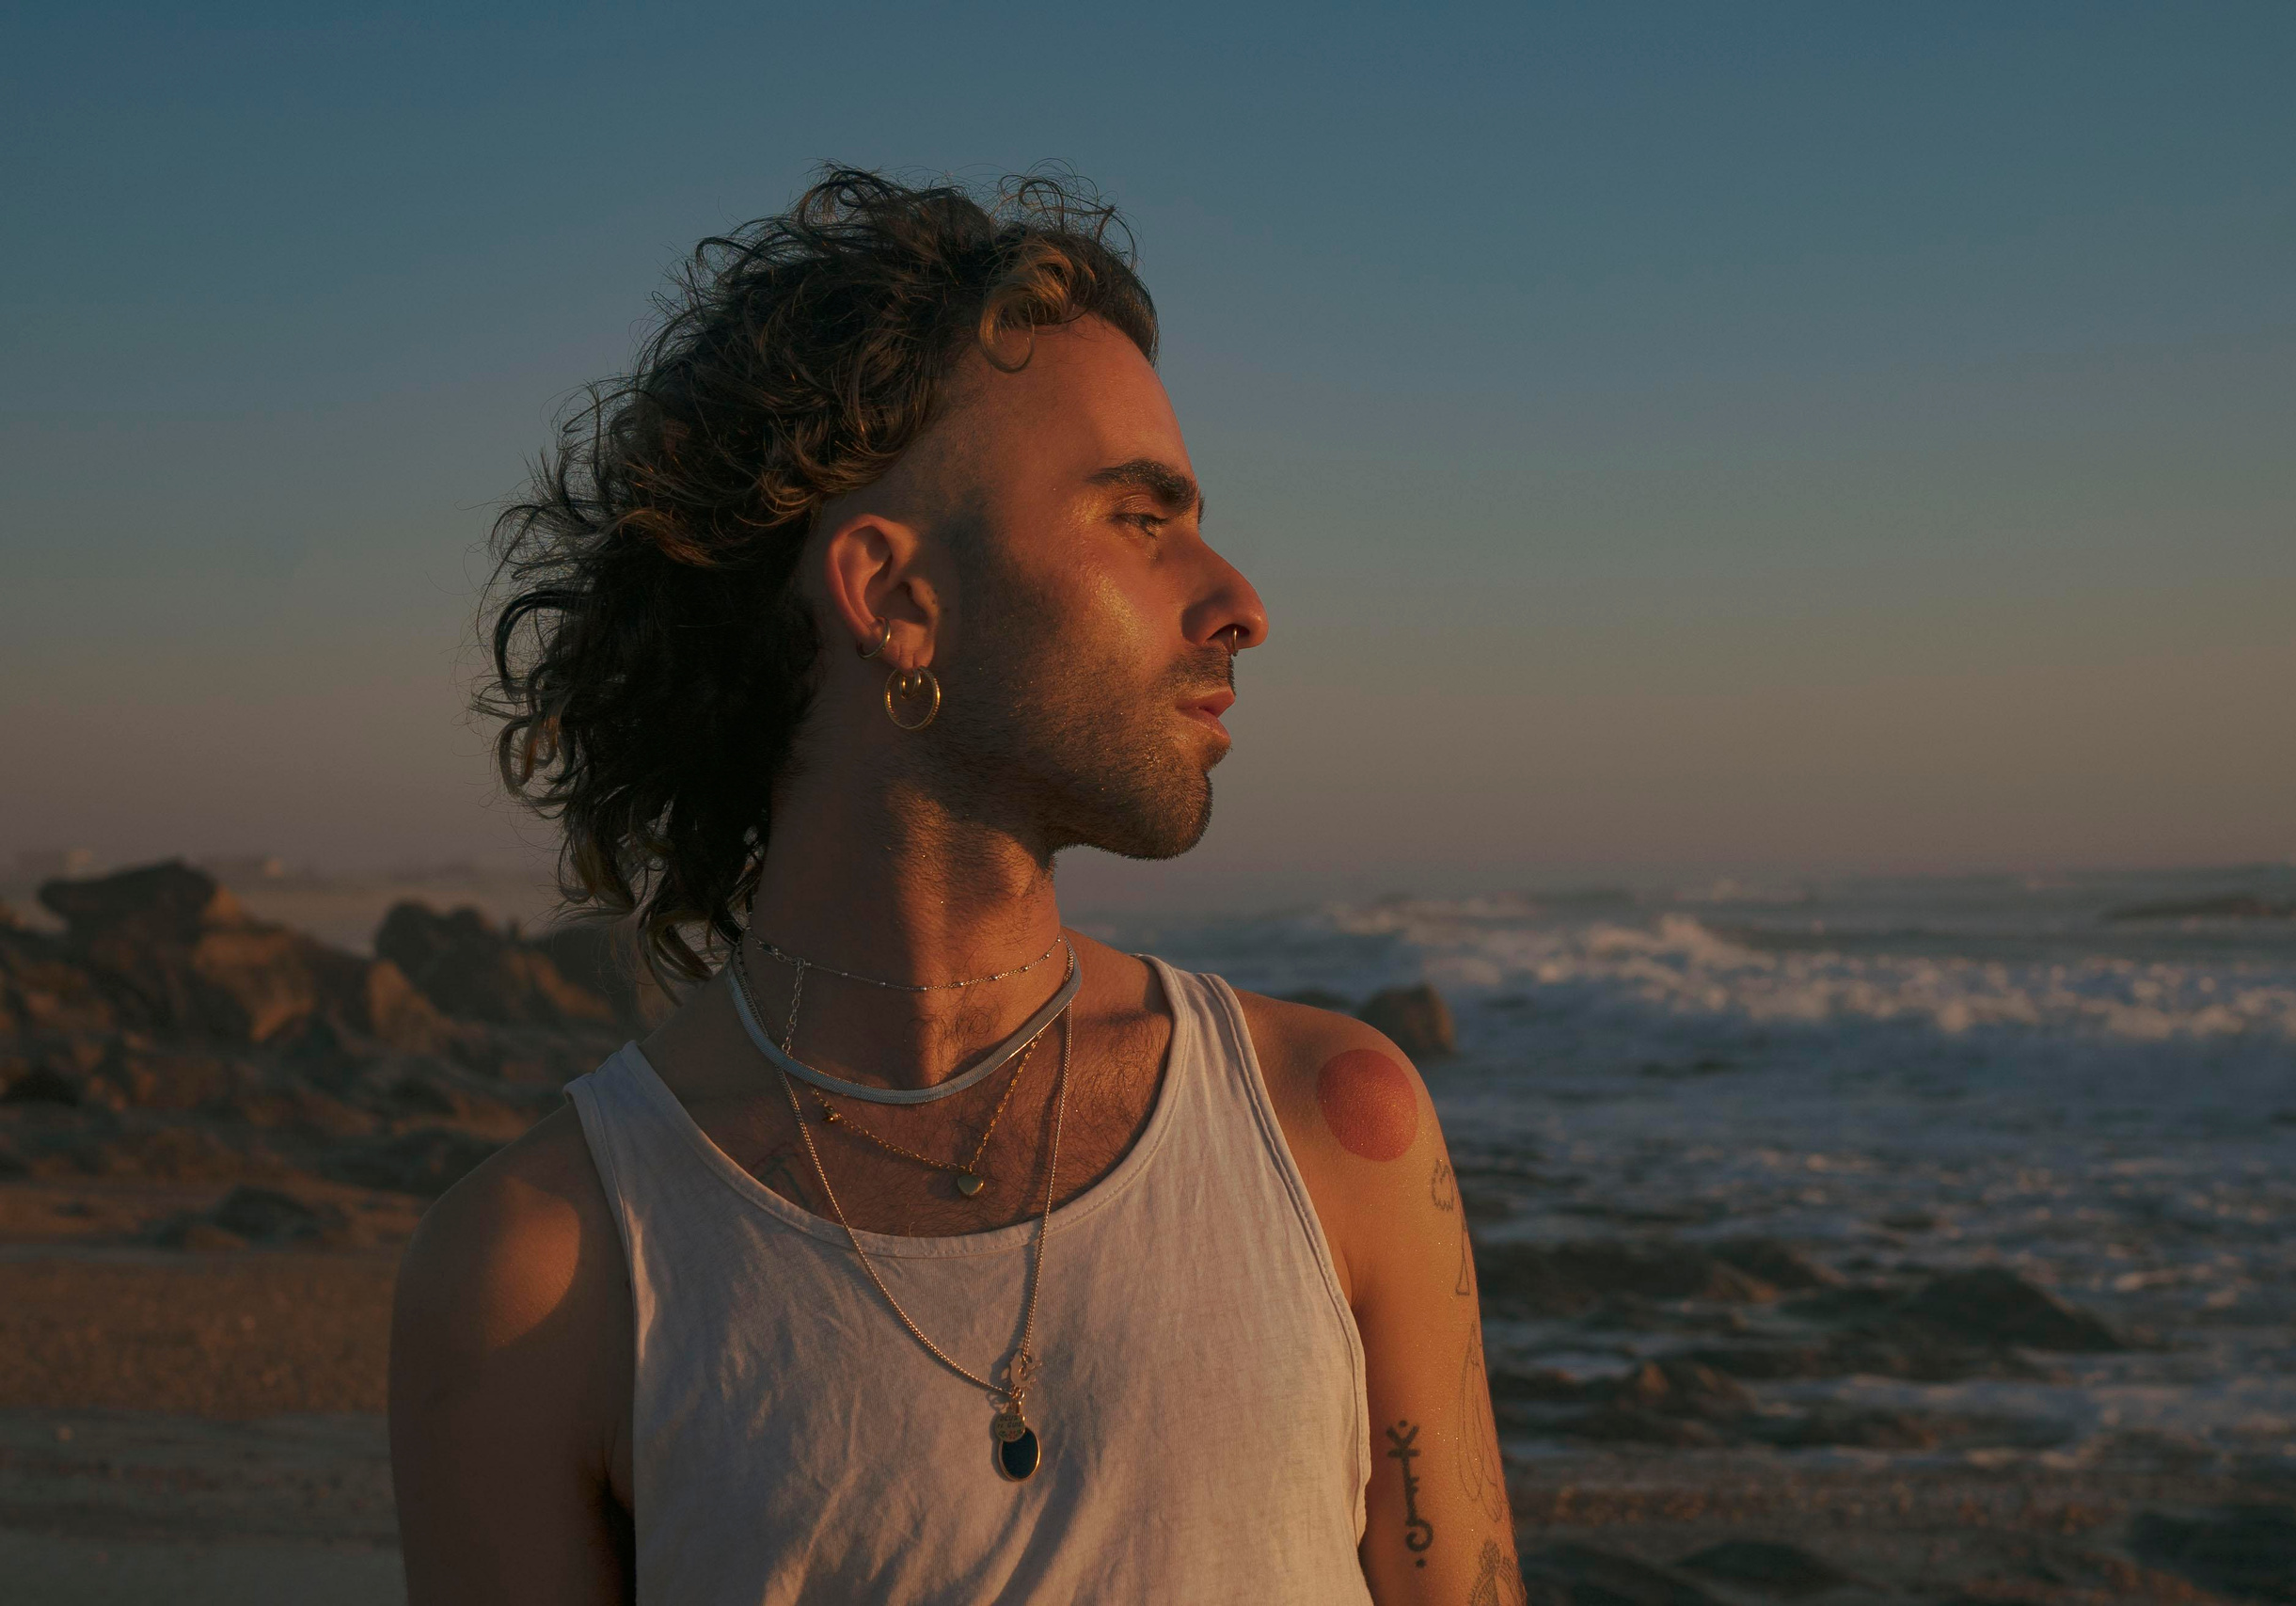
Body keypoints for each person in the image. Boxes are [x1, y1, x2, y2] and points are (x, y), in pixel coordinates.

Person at [389, 168, 1526, 1606]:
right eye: (1138, 519)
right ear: (896, 600)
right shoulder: (538, 1273)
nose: (1239, 599)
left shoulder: (1335, 1128)